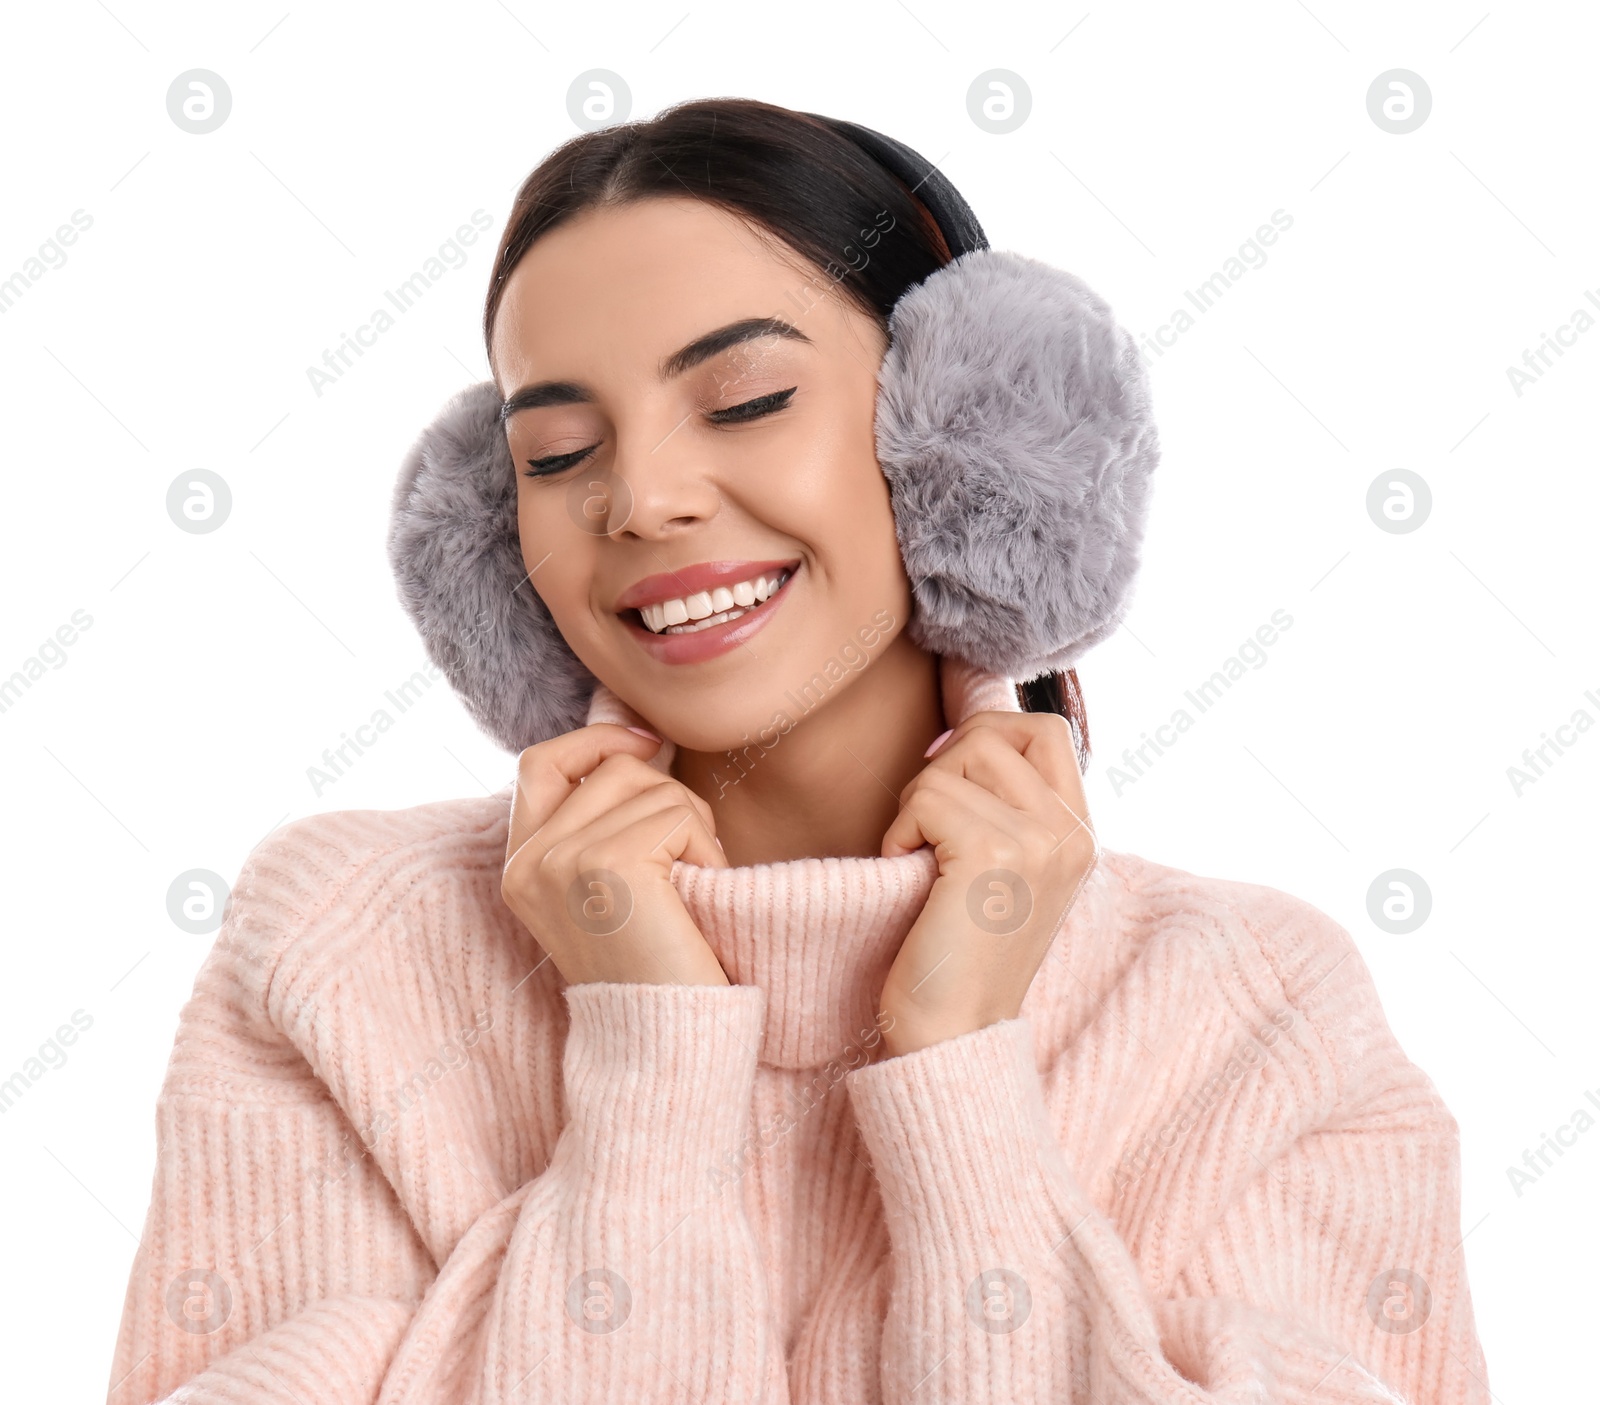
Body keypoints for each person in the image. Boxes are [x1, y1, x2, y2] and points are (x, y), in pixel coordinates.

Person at [106, 97, 1490, 1404]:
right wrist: (649, 1056)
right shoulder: (339, 948)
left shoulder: (1255, 1013)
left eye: (747, 400)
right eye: (557, 451)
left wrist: (956, 1059)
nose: (639, 498)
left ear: (968, 447)